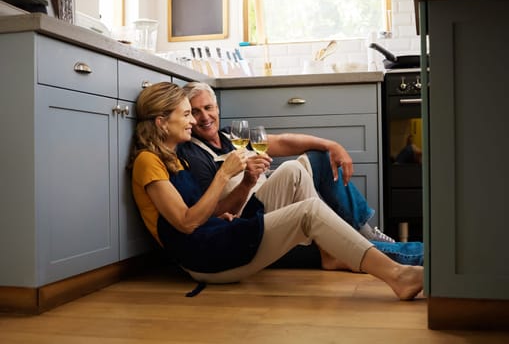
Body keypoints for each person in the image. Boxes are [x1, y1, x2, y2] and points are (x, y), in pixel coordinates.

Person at [128, 81, 423, 301]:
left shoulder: (173, 158)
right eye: (187, 114)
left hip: (215, 240)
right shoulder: (148, 162)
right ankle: (397, 275)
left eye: (203, 110)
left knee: (299, 184)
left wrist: (227, 208)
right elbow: (186, 222)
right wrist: (225, 175)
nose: (195, 120)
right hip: (204, 259)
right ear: (161, 122)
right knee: (309, 211)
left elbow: (203, 214)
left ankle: (370, 261)